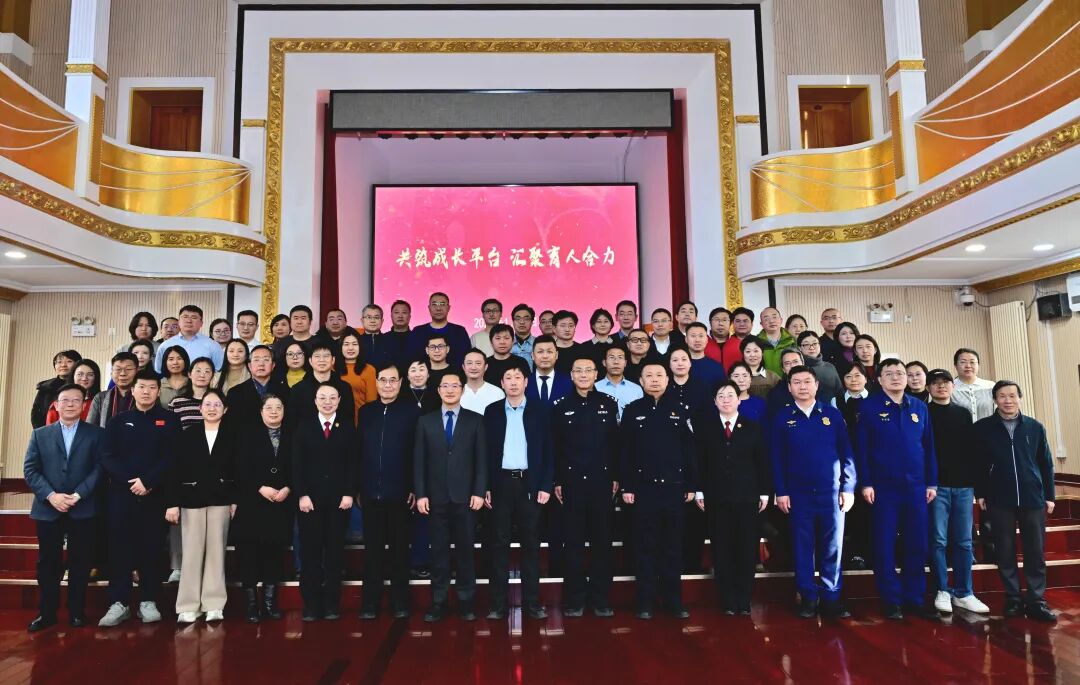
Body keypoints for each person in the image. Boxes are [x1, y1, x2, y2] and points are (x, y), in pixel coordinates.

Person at [856, 358, 939, 621]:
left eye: (900, 373)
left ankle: (914, 598)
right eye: (889, 373)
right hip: (883, 488)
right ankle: (891, 600)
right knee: (884, 544)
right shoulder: (868, 407)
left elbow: (929, 447)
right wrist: (866, 482)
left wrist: (931, 482)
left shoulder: (919, 407)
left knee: (917, 543)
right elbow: (862, 449)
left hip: (916, 486)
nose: (896, 377)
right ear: (879, 379)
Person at [771, 366, 856, 619]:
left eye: (807, 381)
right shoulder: (782, 417)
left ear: (816, 385)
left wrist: (848, 487)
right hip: (798, 494)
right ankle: (808, 597)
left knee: (833, 547)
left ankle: (831, 598)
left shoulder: (832, 414)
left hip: (832, 493)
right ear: (789, 387)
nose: (802, 386)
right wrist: (781, 491)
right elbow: (776, 458)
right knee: (802, 547)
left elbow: (847, 453)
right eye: (796, 382)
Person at [98, 370, 180, 627]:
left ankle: (148, 600)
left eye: (151, 387)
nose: (146, 391)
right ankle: (118, 603)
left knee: (152, 550)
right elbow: (107, 456)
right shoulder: (118, 421)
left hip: (155, 496)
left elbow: (172, 457)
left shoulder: (170, 420)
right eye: (141, 387)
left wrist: (149, 482)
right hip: (122, 496)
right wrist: (132, 481)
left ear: (158, 391)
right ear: (133, 390)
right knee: (119, 550)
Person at [23, 384, 104, 632]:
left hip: (83, 507)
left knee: (80, 561)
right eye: (65, 400)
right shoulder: (40, 434)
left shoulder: (96, 434)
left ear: (83, 405)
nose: (70, 404)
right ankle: (46, 613)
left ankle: (76, 611)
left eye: (76, 400)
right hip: (48, 508)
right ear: (56, 405)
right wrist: (51, 496)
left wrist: (78, 495)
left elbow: (100, 469)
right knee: (48, 563)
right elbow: (30, 470)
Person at [974, 380, 1056, 622]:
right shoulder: (983, 428)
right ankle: (1012, 598)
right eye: (1002, 396)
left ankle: (1036, 600)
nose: (1008, 400)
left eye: (1012, 395)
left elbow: (1046, 463)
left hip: (1033, 497)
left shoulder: (1034, 427)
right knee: (1005, 550)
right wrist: (981, 493)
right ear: (995, 400)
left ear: (1020, 398)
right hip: (999, 497)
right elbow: (978, 464)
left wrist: (1049, 495)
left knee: (1035, 551)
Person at [621, 363, 696, 619]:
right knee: (645, 546)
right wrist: (627, 485)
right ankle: (645, 602)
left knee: (672, 547)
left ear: (667, 380)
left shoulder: (680, 410)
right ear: (641, 381)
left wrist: (690, 484)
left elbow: (689, 451)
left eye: (659, 375)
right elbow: (625, 451)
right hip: (643, 490)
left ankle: (673, 601)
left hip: (674, 489)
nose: (654, 380)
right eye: (649, 376)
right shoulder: (632, 410)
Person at [414, 369, 488, 622]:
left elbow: (481, 461)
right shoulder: (425, 421)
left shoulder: (475, 420)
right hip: (435, 498)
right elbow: (419, 462)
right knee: (439, 553)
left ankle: (466, 602)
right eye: (445, 386)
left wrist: (479, 491)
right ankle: (439, 602)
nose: (449, 390)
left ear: (462, 389)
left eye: (454, 386)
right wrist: (421, 494)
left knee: (466, 552)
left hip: (466, 498)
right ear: (438, 390)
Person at [483, 364, 554, 620]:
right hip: (500, 484)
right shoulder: (491, 411)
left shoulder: (541, 410)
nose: (513, 382)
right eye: (508, 378)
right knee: (498, 544)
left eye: (518, 377)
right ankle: (498, 605)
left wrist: (545, 485)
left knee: (531, 545)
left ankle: (532, 604)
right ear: (501, 383)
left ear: (526, 382)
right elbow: (485, 453)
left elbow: (549, 450)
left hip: (530, 484)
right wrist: (485, 486)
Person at [552, 356, 620, 617]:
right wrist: (558, 481)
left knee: (602, 543)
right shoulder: (561, 406)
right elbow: (556, 448)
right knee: (573, 544)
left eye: (588, 370)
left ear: (596, 374)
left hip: (602, 483)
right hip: (571, 484)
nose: (583, 375)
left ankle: (601, 599)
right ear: (571, 375)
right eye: (578, 370)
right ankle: (575, 600)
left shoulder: (608, 404)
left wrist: (616, 476)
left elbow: (615, 444)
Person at [696, 381, 770, 615]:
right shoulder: (705, 428)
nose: (726, 399)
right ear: (715, 401)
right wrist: (699, 490)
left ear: (739, 400)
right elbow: (699, 462)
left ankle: (744, 600)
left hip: (747, 498)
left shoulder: (753, 427)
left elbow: (762, 462)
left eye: (730, 395)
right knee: (721, 549)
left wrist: (764, 492)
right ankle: (728, 600)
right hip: (716, 497)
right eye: (721, 396)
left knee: (746, 549)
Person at [165, 390, 236, 623]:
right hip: (191, 499)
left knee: (217, 552)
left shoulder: (232, 435)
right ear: (200, 408)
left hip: (221, 499)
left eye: (217, 405)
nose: (212, 408)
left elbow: (239, 470)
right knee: (192, 552)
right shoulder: (187, 435)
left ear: (225, 409)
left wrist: (235, 500)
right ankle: (188, 605)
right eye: (208, 404)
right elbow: (174, 470)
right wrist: (173, 503)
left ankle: (214, 604)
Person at [357, 363, 420, 619]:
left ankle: (400, 603)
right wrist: (359, 487)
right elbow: (359, 452)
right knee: (372, 553)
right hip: (370, 493)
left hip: (400, 494)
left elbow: (417, 452)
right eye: (383, 380)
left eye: (393, 380)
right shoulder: (367, 412)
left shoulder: (411, 412)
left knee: (399, 552)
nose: (388, 385)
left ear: (401, 382)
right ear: (377, 383)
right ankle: (369, 605)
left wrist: (414, 487)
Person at [925, 369, 989, 615]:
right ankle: (942, 590)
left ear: (953, 386)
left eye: (945, 382)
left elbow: (971, 451)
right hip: (936, 486)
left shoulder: (962, 413)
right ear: (929, 388)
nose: (941, 386)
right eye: (935, 383)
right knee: (938, 541)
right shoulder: (924, 412)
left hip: (963, 486)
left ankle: (964, 592)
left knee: (963, 541)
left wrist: (976, 486)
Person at [293, 382, 358, 621]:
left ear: (339, 400)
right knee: (310, 554)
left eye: (332, 397)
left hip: (339, 501)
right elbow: (297, 463)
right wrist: (302, 494)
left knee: (334, 554)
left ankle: (332, 603)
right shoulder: (304, 426)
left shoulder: (347, 427)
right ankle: (311, 604)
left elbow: (353, 462)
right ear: (315, 401)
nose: (327, 402)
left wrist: (349, 493)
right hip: (309, 502)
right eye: (322, 397)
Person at [232, 394, 292, 623]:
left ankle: (269, 603)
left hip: (280, 502)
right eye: (269, 407)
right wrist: (259, 487)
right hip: (252, 502)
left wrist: (288, 487)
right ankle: (251, 605)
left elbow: (298, 465)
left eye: (279, 407)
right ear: (261, 411)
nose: (274, 411)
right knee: (248, 554)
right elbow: (240, 466)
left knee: (273, 554)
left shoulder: (291, 434)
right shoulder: (247, 434)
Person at [831, 361, 871, 570]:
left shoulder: (874, 399)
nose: (853, 380)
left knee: (870, 509)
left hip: (871, 460)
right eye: (848, 376)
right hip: (844, 460)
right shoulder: (835, 401)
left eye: (857, 375)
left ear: (865, 378)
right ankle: (853, 554)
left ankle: (868, 552)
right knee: (850, 509)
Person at [289, 342, 356, 428]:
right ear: (310, 361)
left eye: (326, 356)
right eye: (317, 356)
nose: (322, 360)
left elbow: (349, 420)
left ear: (333, 360)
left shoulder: (344, 388)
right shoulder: (298, 390)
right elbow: (293, 422)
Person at [225, 344, 290, 431]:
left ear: (273, 365)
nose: (261, 364)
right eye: (256, 360)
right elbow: (231, 424)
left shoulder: (284, 390)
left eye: (266, 360)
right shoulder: (235, 393)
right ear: (249, 366)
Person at [407, 292, 471, 367]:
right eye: (434, 304)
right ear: (429, 308)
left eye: (442, 304)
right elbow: (412, 359)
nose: (438, 308)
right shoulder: (418, 332)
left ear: (448, 308)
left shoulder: (459, 332)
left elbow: (467, 359)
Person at [154, 305, 224, 372]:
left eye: (194, 317)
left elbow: (218, 372)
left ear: (201, 323)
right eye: (185, 317)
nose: (189, 321)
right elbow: (159, 371)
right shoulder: (165, 345)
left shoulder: (213, 345)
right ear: (179, 322)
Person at [32, 350, 82, 428]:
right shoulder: (46, 387)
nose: (63, 365)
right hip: (48, 430)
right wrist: (41, 432)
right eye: (59, 362)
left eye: (69, 361)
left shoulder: (82, 386)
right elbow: (36, 413)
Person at [87, 352, 137, 428]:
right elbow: (90, 427)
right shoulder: (100, 397)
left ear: (137, 371)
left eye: (128, 369)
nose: (123, 373)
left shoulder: (144, 395)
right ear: (111, 373)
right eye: (118, 369)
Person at [595, 343, 643, 422]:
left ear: (625, 363)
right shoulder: (595, 388)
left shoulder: (636, 389)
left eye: (620, 357)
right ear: (604, 362)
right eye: (611, 357)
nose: (616, 362)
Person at [338, 331, 377, 422]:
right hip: (338, 420)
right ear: (341, 347)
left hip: (361, 420)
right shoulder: (333, 368)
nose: (350, 348)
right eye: (346, 344)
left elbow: (371, 402)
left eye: (354, 344)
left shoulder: (369, 369)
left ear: (360, 347)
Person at [46, 359, 101, 424]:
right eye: (80, 374)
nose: (84, 378)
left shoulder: (101, 401)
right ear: (73, 376)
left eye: (90, 375)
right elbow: (50, 428)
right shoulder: (60, 402)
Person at [168, 357, 217, 430]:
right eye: (198, 371)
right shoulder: (177, 402)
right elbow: (170, 430)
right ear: (189, 374)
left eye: (207, 371)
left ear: (212, 376)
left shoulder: (217, 402)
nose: (202, 375)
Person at [797, 331, 842, 401]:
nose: (811, 347)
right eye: (806, 344)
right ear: (799, 347)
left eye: (815, 343)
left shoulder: (830, 367)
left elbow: (840, 393)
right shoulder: (797, 369)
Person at [526, 335, 571, 404]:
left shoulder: (568, 381)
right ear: (532, 355)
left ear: (556, 355)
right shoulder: (524, 382)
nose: (545, 356)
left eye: (549, 352)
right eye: (540, 352)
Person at [953, 348, 995, 421]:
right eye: (963, 362)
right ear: (955, 365)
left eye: (972, 362)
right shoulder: (950, 388)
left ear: (978, 365)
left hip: (988, 428)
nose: (968, 366)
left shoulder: (991, 386)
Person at [666, 347, 711, 414]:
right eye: (675, 360)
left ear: (690, 363)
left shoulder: (702, 386)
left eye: (684, 359)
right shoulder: (664, 386)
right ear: (669, 364)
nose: (680, 363)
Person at [460, 348, 505, 414]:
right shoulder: (455, 392)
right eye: (469, 363)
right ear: (463, 367)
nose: (473, 367)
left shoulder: (497, 393)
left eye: (478, 363)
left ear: (485, 367)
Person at [685, 322, 726, 392]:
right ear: (686, 339)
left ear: (707, 340)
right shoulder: (679, 365)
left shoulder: (716, 367)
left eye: (701, 336)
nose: (697, 340)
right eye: (693, 336)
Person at [358, 304, 400, 371]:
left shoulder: (391, 341)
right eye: (369, 317)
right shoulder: (356, 341)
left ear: (382, 321)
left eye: (376, 317)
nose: (372, 321)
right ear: (362, 320)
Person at [757, 307, 795, 375]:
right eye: (766, 319)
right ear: (761, 324)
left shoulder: (792, 340)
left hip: (789, 380)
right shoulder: (756, 342)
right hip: (764, 381)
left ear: (781, 320)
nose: (771, 321)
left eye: (774, 317)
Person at [552, 310, 587, 375]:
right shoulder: (549, 350)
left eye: (571, 326)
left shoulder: (583, 350)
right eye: (563, 326)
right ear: (554, 328)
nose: (567, 329)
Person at [510, 303, 537, 368]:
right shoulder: (505, 344)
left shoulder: (538, 343)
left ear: (532, 322)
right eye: (518, 319)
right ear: (513, 322)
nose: (522, 322)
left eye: (526, 319)